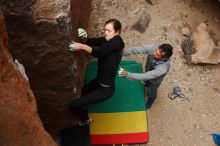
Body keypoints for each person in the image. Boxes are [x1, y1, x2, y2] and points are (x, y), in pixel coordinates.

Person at [69, 19, 124, 124]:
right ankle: (84, 106)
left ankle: (85, 120)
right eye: (105, 30)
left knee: (74, 105)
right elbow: (91, 41)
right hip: (98, 81)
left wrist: (82, 46)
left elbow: (101, 52)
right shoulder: (105, 39)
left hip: (105, 90)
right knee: (83, 92)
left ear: (117, 32)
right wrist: (85, 39)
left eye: (109, 31)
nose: (105, 33)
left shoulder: (117, 42)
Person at [119, 44, 173, 110]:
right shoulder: (153, 48)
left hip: (155, 81)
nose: (153, 53)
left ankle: (149, 103)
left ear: (163, 58)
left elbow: (146, 76)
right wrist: (121, 53)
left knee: (151, 92)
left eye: (157, 55)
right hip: (148, 69)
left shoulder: (162, 69)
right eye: (156, 51)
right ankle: (146, 84)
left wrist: (128, 74)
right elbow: (136, 50)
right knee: (146, 81)